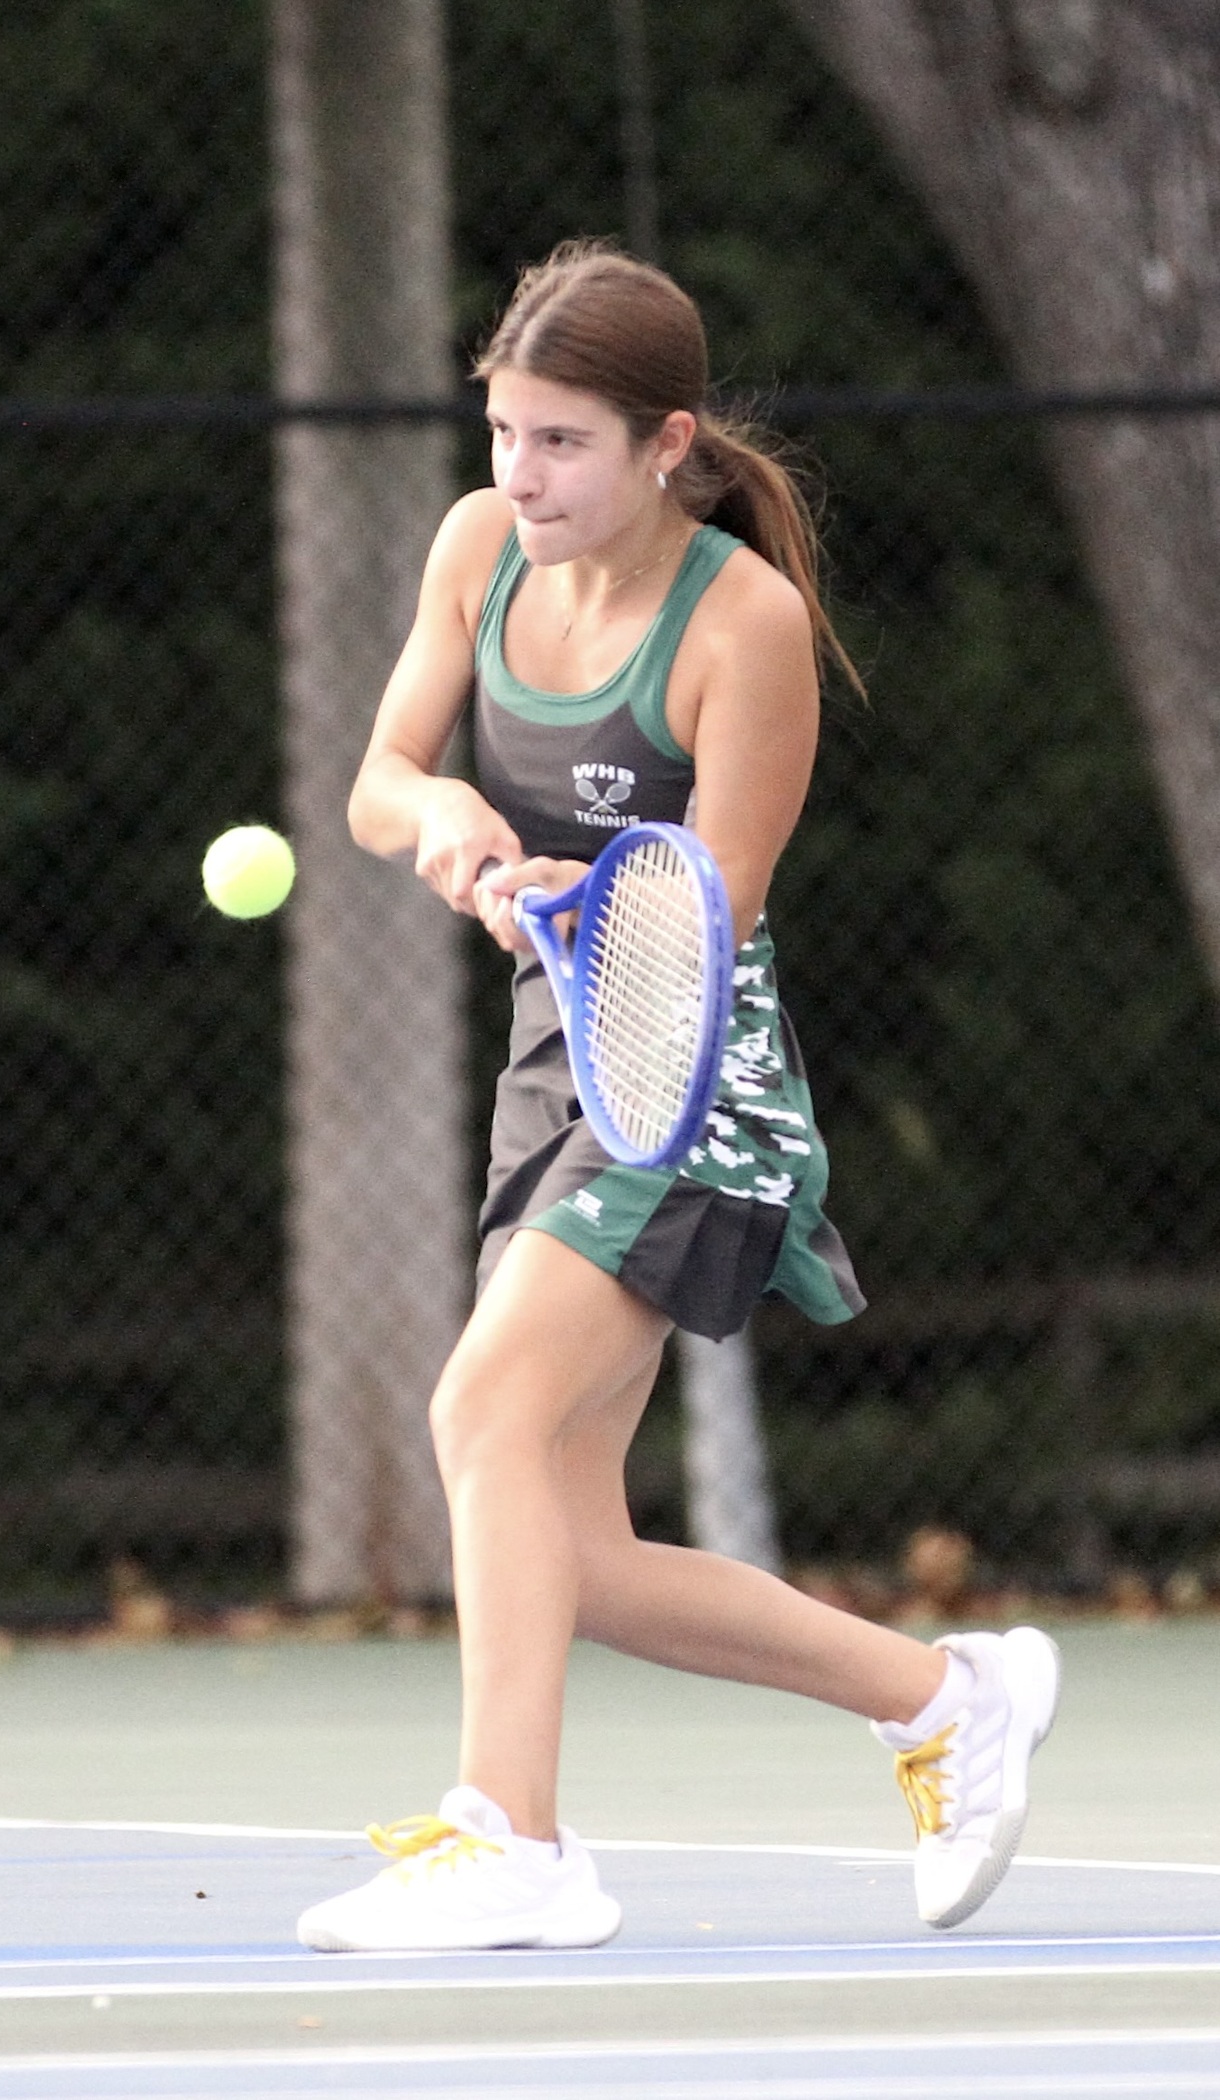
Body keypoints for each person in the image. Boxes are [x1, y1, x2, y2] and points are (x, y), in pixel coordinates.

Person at [297, 241, 1059, 1954]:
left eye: (561, 440)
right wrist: (453, 836)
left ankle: (516, 1841)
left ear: (666, 443)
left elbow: (713, 906)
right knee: (579, 1548)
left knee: (480, 1411)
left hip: (693, 1072)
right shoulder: (478, 549)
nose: (520, 473)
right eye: (503, 430)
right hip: (552, 1055)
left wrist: (577, 886)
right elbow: (376, 781)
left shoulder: (748, 624)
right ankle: (946, 1699)